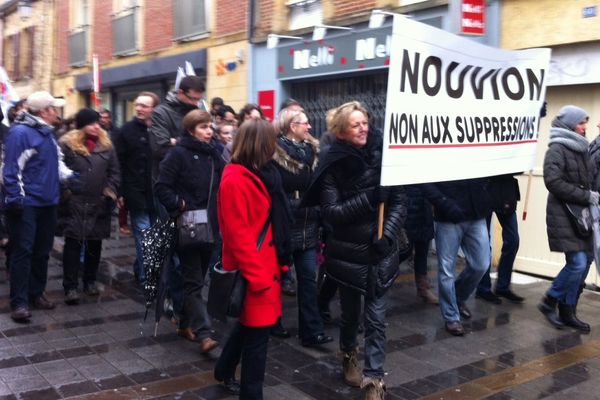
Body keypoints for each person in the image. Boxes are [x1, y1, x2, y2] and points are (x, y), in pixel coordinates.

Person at [303, 101, 406, 400]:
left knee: (376, 317)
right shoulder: (331, 166)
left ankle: (373, 380)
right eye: (355, 124)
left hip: (380, 251)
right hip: (347, 254)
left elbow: (399, 201)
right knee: (350, 316)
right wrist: (371, 198)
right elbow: (332, 213)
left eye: (365, 123)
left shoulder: (385, 156)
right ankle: (348, 354)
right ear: (341, 131)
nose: (363, 128)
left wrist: (387, 236)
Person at [214, 118, 293, 399]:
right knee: (257, 341)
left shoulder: (263, 173)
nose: (276, 146)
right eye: (272, 141)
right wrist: (258, 278)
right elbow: (237, 235)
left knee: (251, 327)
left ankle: (223, 369)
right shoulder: (236, 179)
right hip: (254, 272)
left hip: (267, 266)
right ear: (260, 145)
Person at [155, 109, 223, 353]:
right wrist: (179, 204)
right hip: (187, 227)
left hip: (211, 227)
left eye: (210, 127)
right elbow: (162, 187)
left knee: (197, 278)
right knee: (194, 281)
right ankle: (205, 333)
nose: (209, 131)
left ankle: (184, 323)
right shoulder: (178, 155)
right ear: (191, 129)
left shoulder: (214, 155)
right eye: (204, 127)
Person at [3, 91, 75, 321]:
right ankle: (19, 302)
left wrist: (72, 176)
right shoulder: (20, 133)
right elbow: (11, 169)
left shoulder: (47, 134)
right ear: (45, 111)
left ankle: (36, 293)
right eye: (54, 108)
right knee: (23, 252)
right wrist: (16, 199)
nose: (57, 112)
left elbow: (56, 163)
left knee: (42, 251)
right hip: (27, 204)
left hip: (48, 202)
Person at [273, 108, 333, 347]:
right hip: (284, 222)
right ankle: (272, 322)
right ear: (291, 125)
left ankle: (311, 330)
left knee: (308, 278)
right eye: (304, 123)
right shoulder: (274, 150)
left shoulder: (313, 150)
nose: (309, 127)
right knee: (275, 279)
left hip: (308, 221)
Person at [538, 105, 594, 332]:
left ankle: (568, 311)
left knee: (582, 265)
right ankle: (549, 301)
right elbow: (553, 181)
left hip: (581, 216)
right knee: (577, 263)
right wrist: (586, 195)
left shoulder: (581, 148)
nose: (584, 126)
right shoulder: (557, 149)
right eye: (581, 122)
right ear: (570, 124)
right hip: (564, 215)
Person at [58, 108, 120, 304]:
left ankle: (90, 281)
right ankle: (70, 287)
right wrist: (67, 191)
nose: (96, 126)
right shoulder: (67, 145)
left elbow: (115, 172)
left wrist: (109, 193)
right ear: (82, 125)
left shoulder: (107, 145)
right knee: (73, 244)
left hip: (98, 203)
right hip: (74, 203)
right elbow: (60, 171)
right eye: (92, 123)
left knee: (95, 244)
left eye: (98, 123)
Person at [422, 177, 491, 336]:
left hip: (475, 212)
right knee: (446, 269)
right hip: (448, 215)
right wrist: (444, 203)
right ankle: (451, 316)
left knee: (481, 264)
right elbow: (425, 182)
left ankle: (458, 299)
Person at [113, 92, 160, 286]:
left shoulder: (159, 130)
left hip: (157, 194)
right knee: (145, 236)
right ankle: (146, 278)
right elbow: (119, 163)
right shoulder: (126, 131)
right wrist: (120, 192)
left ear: (154, 109)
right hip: (136, 192)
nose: (139, 108)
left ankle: (141, 269)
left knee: (153, 238)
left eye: (144, 106)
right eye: (137, 105)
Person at [475, 174, 524, 304]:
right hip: (485, 189)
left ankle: (503, 286)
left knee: (513, 240)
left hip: (506, 192)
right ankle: (483, 288)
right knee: (484, 242)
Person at [400, 184, 438, 304]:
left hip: (424, 209)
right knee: (403, 251)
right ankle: (381, 280)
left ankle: (423, 288)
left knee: (422, 251)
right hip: (407, 208)